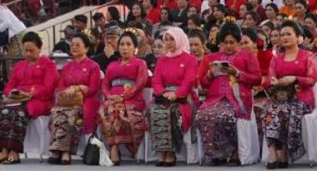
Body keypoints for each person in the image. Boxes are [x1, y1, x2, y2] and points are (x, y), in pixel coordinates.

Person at [197, 22, 261, 165]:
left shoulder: (247, 56)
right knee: (203, 115)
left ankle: (234, 151)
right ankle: (216, 153)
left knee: (226, 115)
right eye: (225, 42)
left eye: (232, 42)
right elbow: (204, 83)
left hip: (238, 99)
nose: (228, 45)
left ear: (238, 42)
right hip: (215, 99)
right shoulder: (211, 58)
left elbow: (257, 79)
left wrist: (237, 73)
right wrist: (210, 74)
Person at [261, 20, 317, 168]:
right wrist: (272, 81)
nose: (285, 37)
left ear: (298, 36)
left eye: (288, 34)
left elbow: (312, 80)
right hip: (279, 97)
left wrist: (295, 78)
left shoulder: (308, 55)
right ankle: (273, 152)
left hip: (302, 97)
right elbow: (267, 80)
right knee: (268, 110)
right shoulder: (276, 58)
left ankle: (285, 151)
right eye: (282, 35)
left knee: (286, 110)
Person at [0, 31, 56, 164]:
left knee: (18, 111)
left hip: (39, 100)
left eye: (31, 50)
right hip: (18, 99)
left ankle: (14, 152)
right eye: (25, 50)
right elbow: (9, 86)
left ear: (39, 48)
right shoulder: (19, 65)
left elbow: (48, 87)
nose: (27, 54)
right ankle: (4, 150)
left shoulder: (48, 64)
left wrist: (31, 94)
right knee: (3, 109)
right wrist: (12, 93)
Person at [146, 26, 199, 167]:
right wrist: (163, 93)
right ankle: (161, 150)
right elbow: (156, 81)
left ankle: (171, 152)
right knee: (152, 111)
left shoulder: (190, 59)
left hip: (183, 98)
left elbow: (189, 81)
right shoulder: (162, 60)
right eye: (166, 39)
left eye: (172, 39)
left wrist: (176, 94)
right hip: (163, 97)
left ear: (179, 39)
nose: (168, 42)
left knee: (173, 112)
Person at [47, 32, 101, 165]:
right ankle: (58, 150)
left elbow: (93, 89)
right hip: (67, 99)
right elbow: (60, 87)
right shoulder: (66, 66)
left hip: (85, 100)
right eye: (72, 45)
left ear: (87, 48)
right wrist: (67, 92)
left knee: (71, 113)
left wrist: (78, 88)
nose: (74, 47)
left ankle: (65, 152)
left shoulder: (93, 66)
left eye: (78, 45)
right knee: (57, 111)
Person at [98, 30, 150, 165]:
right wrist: (109, 96)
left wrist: (122, 96)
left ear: (135, 47)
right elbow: (104, 85)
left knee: (117, 109)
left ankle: (114, 148)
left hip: (132, 100)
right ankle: (114, 146)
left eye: (128, 44)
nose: (125, 47)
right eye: (122, 44)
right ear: (118, 47)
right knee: (106, 109)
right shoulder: (111, 65)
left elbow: (140, 84)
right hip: (113, 99)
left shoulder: (140, 63)